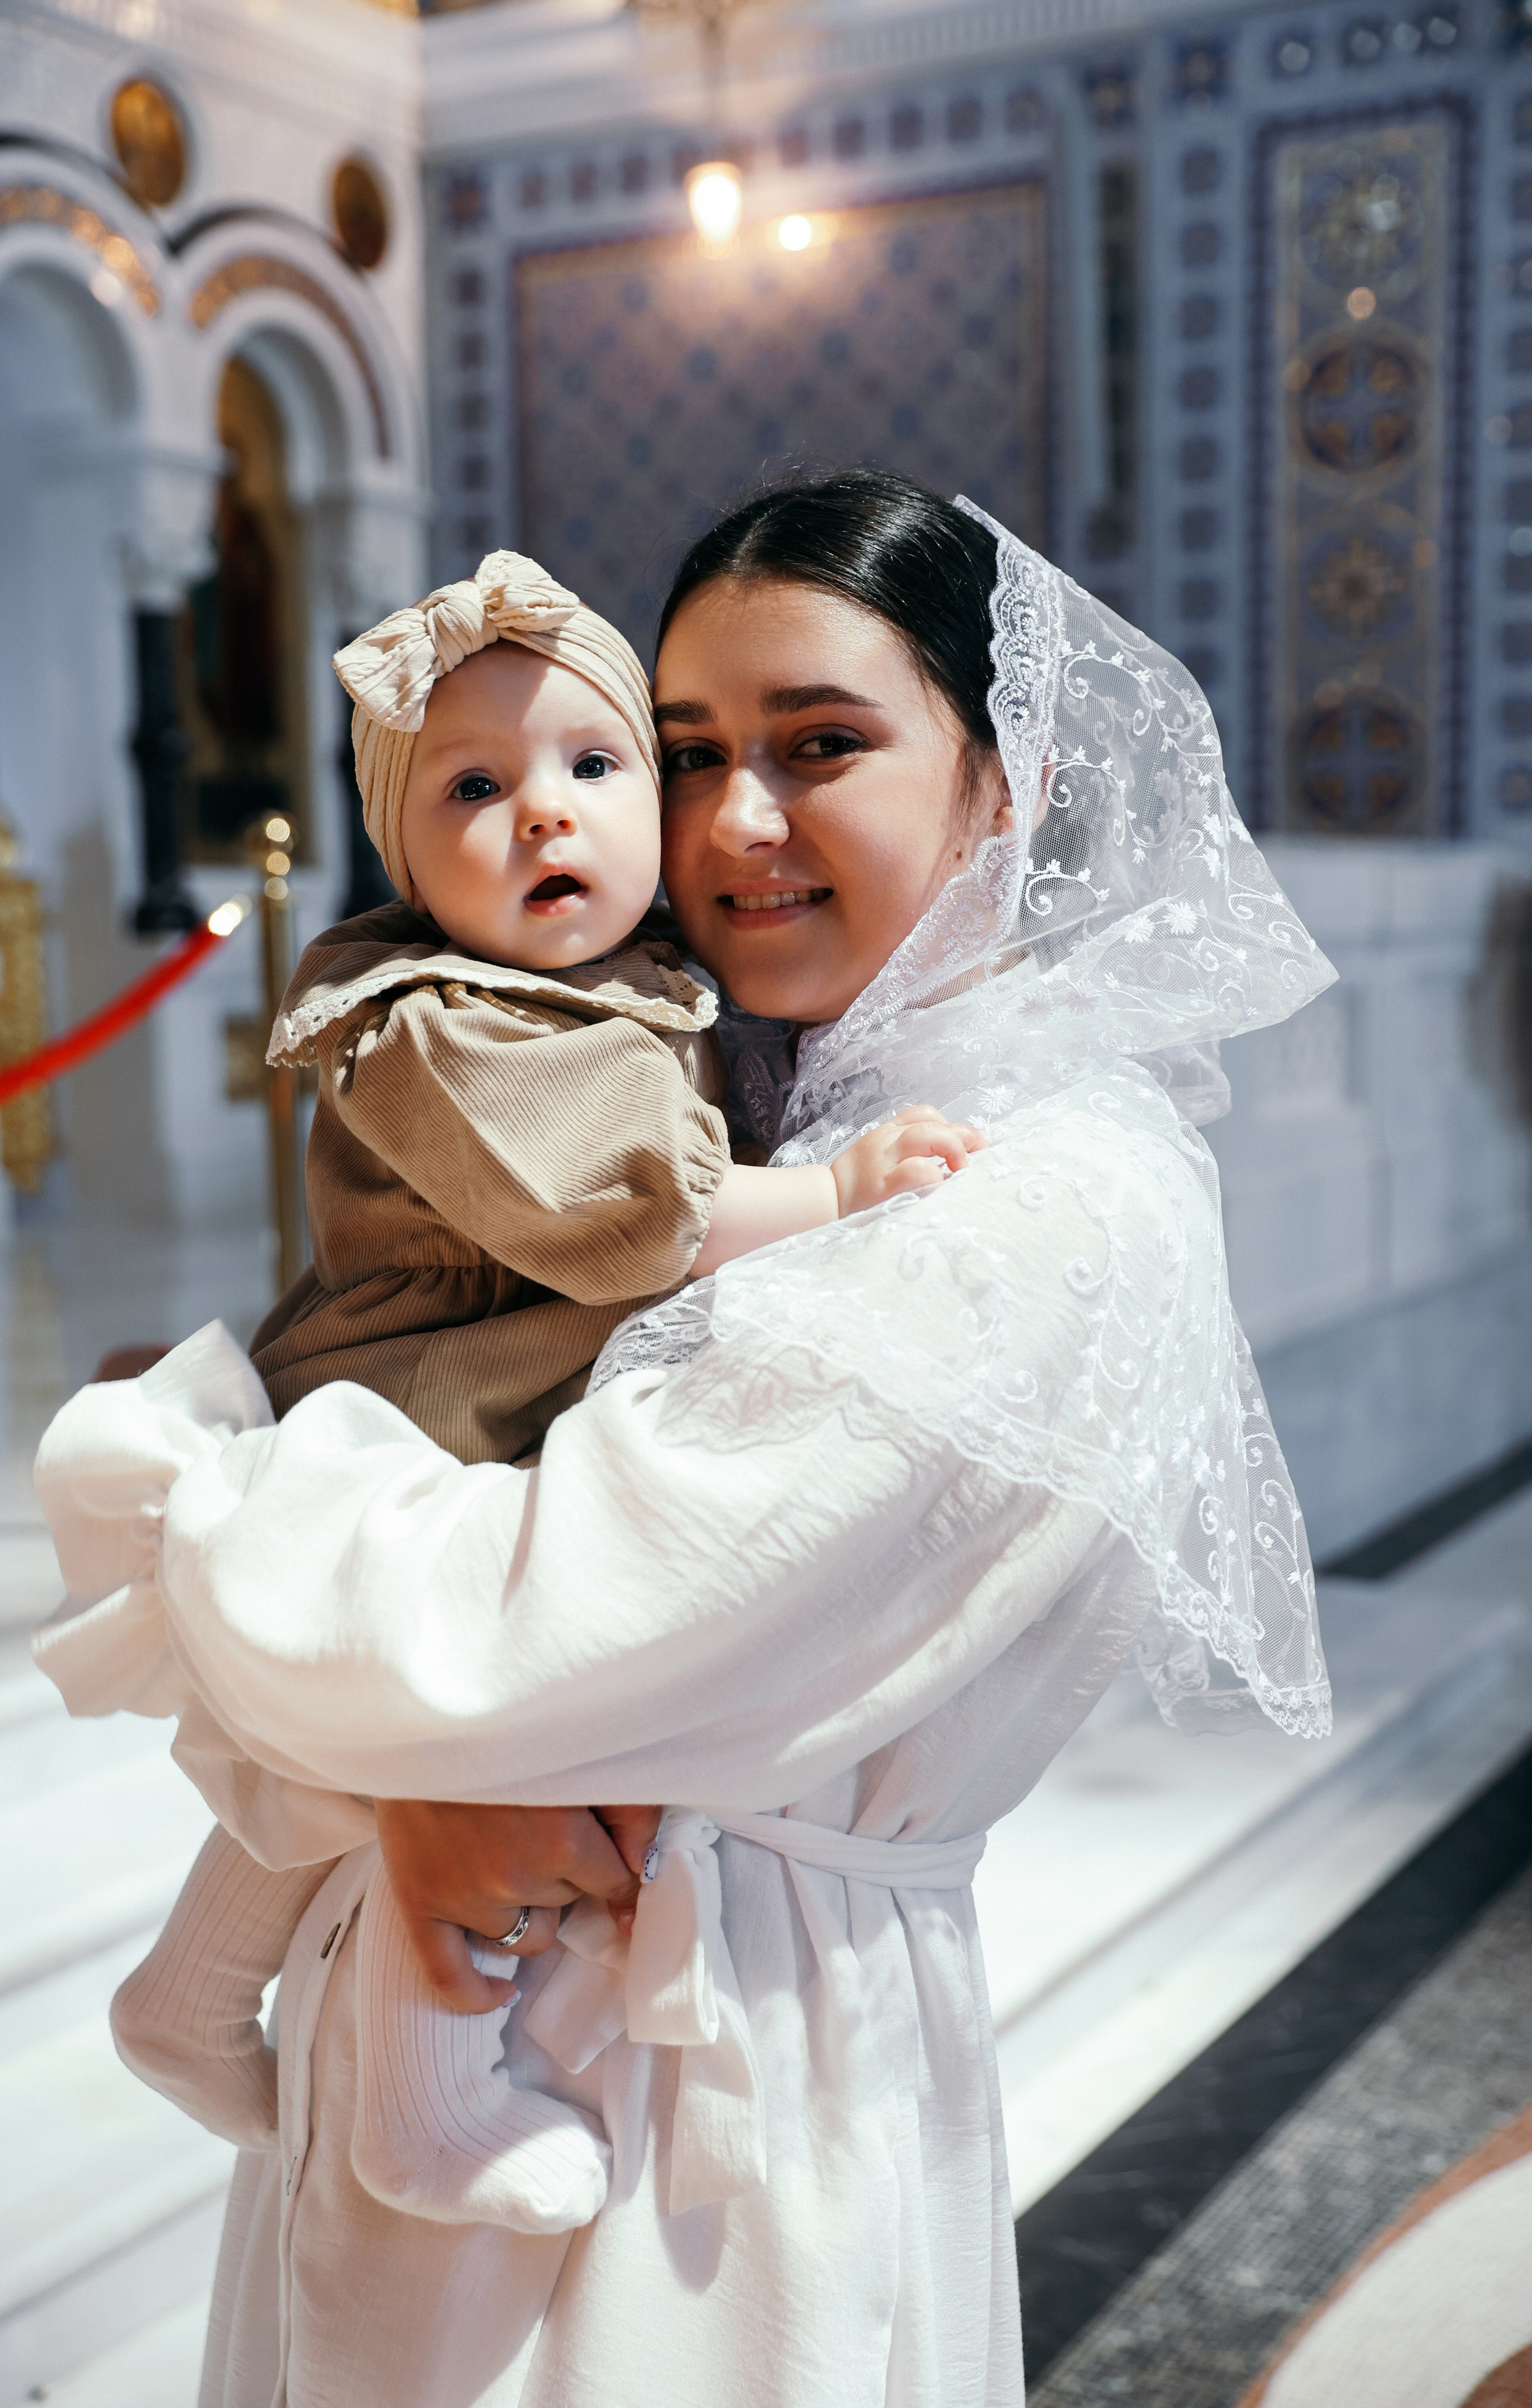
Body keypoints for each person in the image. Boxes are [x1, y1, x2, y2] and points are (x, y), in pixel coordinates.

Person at [35, 473, 1338, 2408]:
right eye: (688, 752)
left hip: (710, 2117)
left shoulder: (1040, 1197)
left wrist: (218, 1475)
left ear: (1005, 778)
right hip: (549, 2018)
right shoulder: (770, 1102)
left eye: (821, 747)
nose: (735, 827)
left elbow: (487, 1647)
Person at [95, 547, 980, 2241]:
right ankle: (427, 2106)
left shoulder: (628, 979)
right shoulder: (439, 1020)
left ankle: (188, 1988)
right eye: (477, 790)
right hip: (435, 1412)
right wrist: (845, 1191)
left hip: (516, 1391)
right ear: (408, 859)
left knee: (377, 1743)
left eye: (594, 767)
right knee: (448, 1718)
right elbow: (625, 1210)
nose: (546, 817)